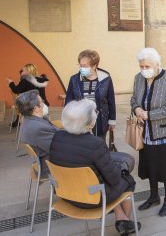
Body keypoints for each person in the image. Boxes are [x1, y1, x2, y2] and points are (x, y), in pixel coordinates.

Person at [49, 100, 140, 234]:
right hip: (92, 199)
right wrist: (119, 167)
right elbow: (114, 178)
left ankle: (122, 218)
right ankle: (124, 225)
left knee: (102, 175)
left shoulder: (57, 137)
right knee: (127, 180)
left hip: (66, 194)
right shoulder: (95, 143)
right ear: (90, 123)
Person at [131, 48, 166, 217]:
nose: (143, 69)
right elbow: (133, 99)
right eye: (141, 66)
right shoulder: (138, 78)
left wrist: (150, 115)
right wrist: (136, 108)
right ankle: (154, 196)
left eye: (147, 66)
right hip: (145, 132)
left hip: (164, 132)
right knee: (150, 164)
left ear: (157, 64)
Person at [65, 50, 116, 139]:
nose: (81, 68)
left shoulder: (105, 79)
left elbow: (111, 100)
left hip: (100, 121)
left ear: (94, 66)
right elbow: (68, 101)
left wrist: (112, 120)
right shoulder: (74, 80)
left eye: (85, 66)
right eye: (80, 65)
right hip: (79, 122)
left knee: (98, 146)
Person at [16, 90, 58, 175]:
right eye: (42, 102)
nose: (43, 104)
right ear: (35, 109)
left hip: (46, 159)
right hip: (51, 165)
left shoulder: (29, 121)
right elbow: (58, 149)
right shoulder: (38, 127)